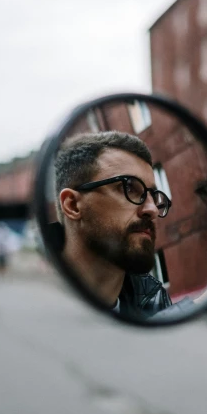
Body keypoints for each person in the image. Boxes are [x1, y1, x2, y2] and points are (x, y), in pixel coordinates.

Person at [54, 131, 172, 319]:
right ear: (73, 205)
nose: (153, 210)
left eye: (154, 196)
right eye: (129, 188)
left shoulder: (153, 299)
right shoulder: (32, 294)